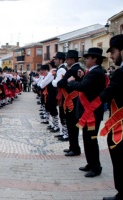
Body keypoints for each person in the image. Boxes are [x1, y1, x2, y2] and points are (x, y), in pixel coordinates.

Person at [68, 48, 107, 178]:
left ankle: (96, 167)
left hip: (92, 113)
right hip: (89, 112)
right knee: (87, 139)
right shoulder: (92, 72)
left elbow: (82, 87)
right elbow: (86, 84)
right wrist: (81, 77)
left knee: (91, 140)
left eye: (88, 58)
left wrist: (72, 82)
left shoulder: (96, 73)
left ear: (95, 59)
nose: (86, 60)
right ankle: (90, 163)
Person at [98, 34, 123, 200]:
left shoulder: (121, 73)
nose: (111, 56)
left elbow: (106, 95)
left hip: (121, 123)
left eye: (113, 52)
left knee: (119, 155)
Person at [57, 50, 84, 156]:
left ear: (73, 59)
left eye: (68, 59)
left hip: (72, 101)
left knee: (72, 125)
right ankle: (72, 146)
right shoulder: (78, 69)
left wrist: (66, 82)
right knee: (71, 124)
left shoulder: (73, 69)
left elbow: (60, 83)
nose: (66, 61)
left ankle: (75, 148)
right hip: (73, 100)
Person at [52, 52, 68, 141]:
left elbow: (56, 83)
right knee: (61, 113)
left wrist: (53, 82)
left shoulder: (61, 70)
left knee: (62, 114)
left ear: (61, 60)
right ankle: (63, 132)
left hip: (62, 94)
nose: (55, 61)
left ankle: (65, 134)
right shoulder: (60, 69)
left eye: (56, 59)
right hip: (61, 94)